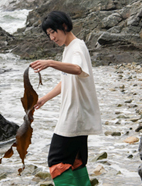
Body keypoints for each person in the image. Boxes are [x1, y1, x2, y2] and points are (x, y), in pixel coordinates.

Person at [30, 11, 102, 186]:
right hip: (79, 114)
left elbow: (77, 69)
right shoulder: (69, 49)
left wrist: (50, 63)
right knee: (75, 160)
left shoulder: (77, 46)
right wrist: (44, 98)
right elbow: (67, 80)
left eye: (53, 32)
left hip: (75, 115)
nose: (52, 38)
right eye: (49, 35)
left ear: (64, 26)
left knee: (57, 161)